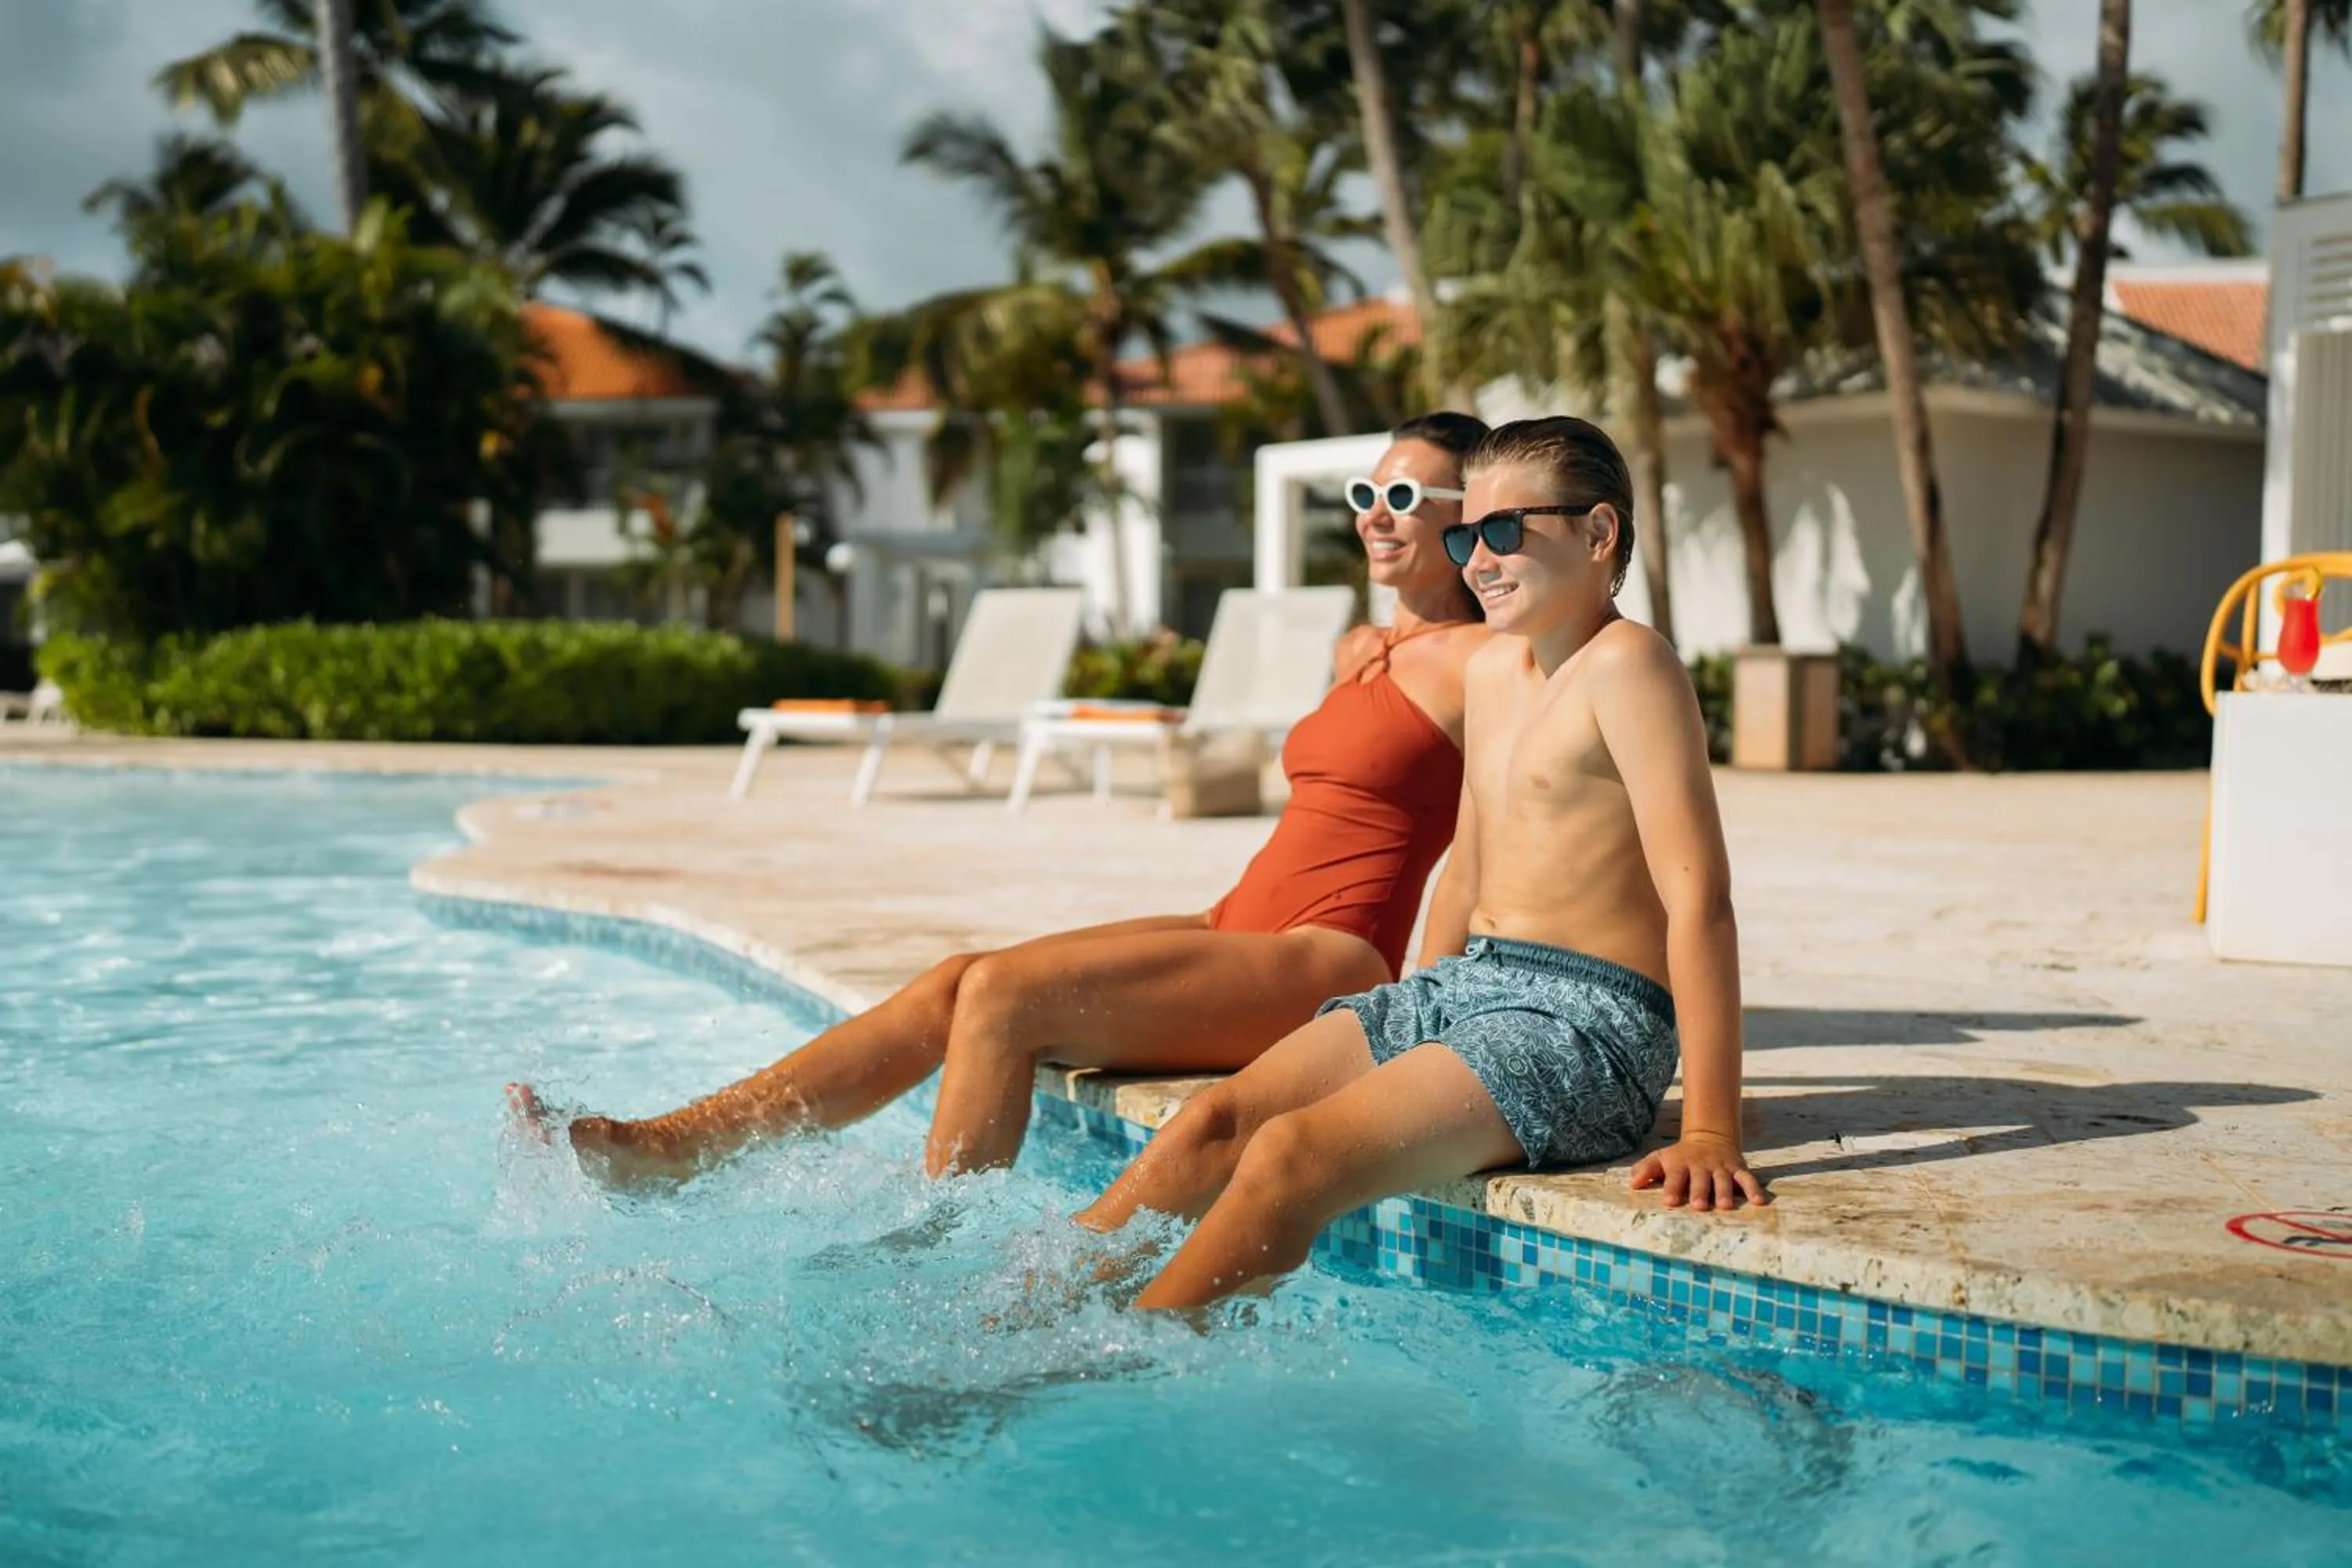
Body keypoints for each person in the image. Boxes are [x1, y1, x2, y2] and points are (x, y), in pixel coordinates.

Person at [509, 413, 1495, 1184]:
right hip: (1241, 922)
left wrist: (1444, 1008)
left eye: (1404, 492)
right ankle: (676, 1146)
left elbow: (1524, 823)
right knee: (957, 977)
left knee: (1007, 999)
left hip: (1328, 960)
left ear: (1470, 509)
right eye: (1368, 489)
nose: (1374, 510)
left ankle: (931, 1251)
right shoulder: (1361, 647)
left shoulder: (1487, 662)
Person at [1071, 416, 1766, 1312]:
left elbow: (1699, 898)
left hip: (1587, 1019)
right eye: (1468, 533)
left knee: (1291, 1156)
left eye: (1507, 531)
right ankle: (1029, 1320)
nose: (1478, 557)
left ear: (1600, 535)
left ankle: (1133, 1365)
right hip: (1471, 986)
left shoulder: (1630, 665)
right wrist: (1412, 1010)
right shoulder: (1493, 671)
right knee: (1214, 1120)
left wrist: (1711, 1125)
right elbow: (1469, 870)